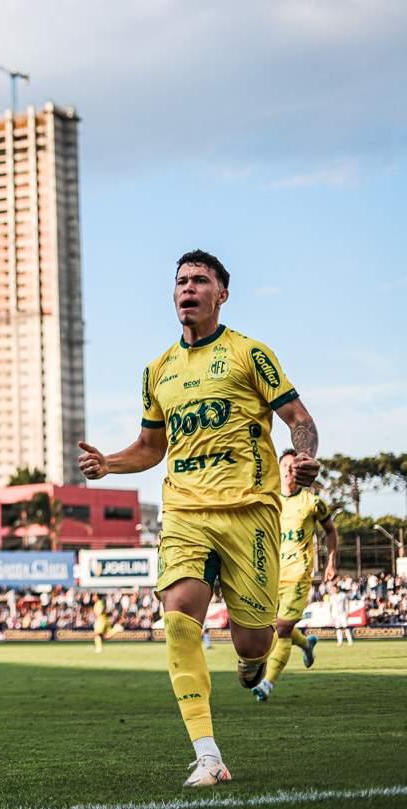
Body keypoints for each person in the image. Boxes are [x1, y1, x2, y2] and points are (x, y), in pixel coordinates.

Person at [77, 249, 320, 788]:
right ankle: (208, 755)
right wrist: (108, 465)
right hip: (185, 510)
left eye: (200, 280)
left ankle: (253, 665)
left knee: (252, 643)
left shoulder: (250, 354)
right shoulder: (156, 370)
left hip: (251, 514)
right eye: (181, 281)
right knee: (179, 616)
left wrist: (302, 457)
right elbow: (150, 446)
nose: (188, 288)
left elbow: (299, 419)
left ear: (221, 294)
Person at [253, 449, 339, 701]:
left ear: (300, 471)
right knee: (275, 628)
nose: (289, 470)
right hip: (271, 575)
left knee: (281, 628)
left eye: (294, 466)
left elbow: (330, 532)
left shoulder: (312, 502)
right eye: (286, 466)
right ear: (278, 469)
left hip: (299, 575)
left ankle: (267, 683)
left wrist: (331, 562)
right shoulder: (269, 501)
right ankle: (305, 643)